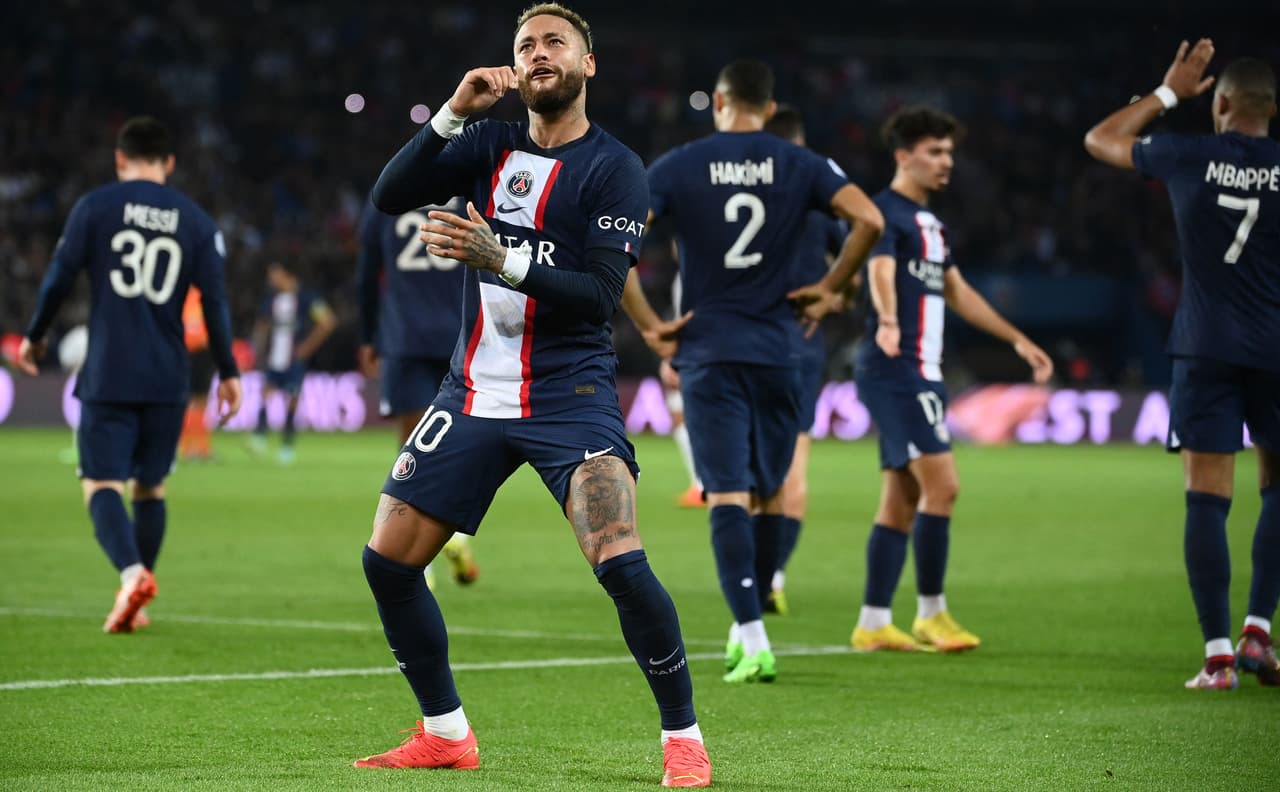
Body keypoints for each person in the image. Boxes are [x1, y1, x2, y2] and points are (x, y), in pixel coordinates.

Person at [355, 4, 711, 786]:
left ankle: (683, 740)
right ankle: (445, 732)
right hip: (472, 390)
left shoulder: (615, 168)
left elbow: (599, 293)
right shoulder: (486, 141)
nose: (538, 53)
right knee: (387, 560)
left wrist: (500, 257)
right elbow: (389, 196)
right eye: (525, 44)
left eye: (556, 42)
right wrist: (453, 112)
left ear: (588, 65)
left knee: (618, 557)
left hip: (569, 393)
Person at [624, 59, 885, 684]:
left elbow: (614, 244)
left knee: (728, 494)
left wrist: (649, 323)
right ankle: (758, 612)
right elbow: (870, 221)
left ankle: (752, 634)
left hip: (710, 350)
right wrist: (828, 289)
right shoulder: (801, 162)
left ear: (718, 101)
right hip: (780, 352)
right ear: (769, 110)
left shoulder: (679, 165)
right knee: (772, 491)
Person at [1084, 41, 1280, 690]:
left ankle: (1218, 657)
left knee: (1206, 499)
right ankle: (1260, 632)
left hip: (1204, 347)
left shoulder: (1188, 155)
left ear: (1220, 103)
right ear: (1271, 110)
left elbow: (1100, 139)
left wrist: (1169, 93)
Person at [16, 116, 242, 633]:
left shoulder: (95, 207)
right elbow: (215, 305)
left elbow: (57, 278)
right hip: (168, 377)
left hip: (110, 370)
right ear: (170, 163)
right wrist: (228, 371)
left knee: (100, 482)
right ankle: (137, 597)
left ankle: (132, 573)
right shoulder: (198, 222)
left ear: (120, 159)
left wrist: (35, 334)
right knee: (150, 489)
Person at [850, 106, 1053, 654]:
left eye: (950, 153)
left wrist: (1016, 338)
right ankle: (932, 613)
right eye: (935, 152)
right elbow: (880, 268)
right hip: (898, 369)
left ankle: (872, 622)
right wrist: (889, 318)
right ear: (903, 156)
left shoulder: (931, 225)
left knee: (902, 499)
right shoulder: (884, 213)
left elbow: (958, 293)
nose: (947, 162)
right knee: (944, 487)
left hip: (922, 371)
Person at [356, 196, 479, 590]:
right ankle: (455, 537)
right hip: (463, 337)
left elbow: (367, 271)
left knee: (413, 450)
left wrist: (368, 337)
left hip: (404, 337)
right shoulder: (472, 195)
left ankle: (416, 565)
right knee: (460, 446)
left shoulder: (389, 198)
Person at [760, 104, 852, 615]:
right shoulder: (820, 182)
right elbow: (863, 238)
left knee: (739, 473)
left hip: (730, 339)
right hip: (796, 343)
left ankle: (748, 586)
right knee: (792, 466)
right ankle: (771, 573)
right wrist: (830, 291)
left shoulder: (727, 176)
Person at [248, 260, 336, 464]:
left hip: (294, 357)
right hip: (274, 357)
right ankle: (259, 437)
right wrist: (258, 347)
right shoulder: (272, 299)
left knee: (292, 400)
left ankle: (287, 446)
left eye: (275, 274)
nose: (271, 279)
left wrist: (308, 346)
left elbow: (328, 321)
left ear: (287, 275)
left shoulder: (306, 298)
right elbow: (261, 325)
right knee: (266, 393)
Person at [178, 287, 215, 462]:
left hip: (201, 355)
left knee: (199, 402)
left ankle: (200, 447)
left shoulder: (198, 297)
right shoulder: (189, 298)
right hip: (191, 354)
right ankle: (189, 447)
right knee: (193, 402)